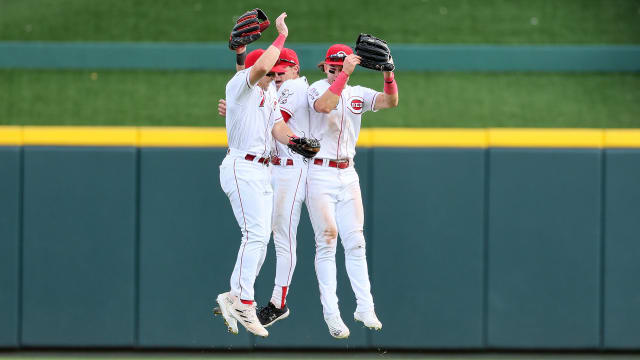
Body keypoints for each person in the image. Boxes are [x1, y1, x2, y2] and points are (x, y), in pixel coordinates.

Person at [215, 12, 301, 338]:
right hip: (242, 166)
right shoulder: (242, 83)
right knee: (255, 235)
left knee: (260, 237)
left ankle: (237, 297)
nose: (275, 74)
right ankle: (243, 299)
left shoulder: (268, 93)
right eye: (271, 70)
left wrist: (295, 141)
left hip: (261, 170)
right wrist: (280, 36)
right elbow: (260, 68)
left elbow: (277, 126)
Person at [306, 44, 399, 338]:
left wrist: (388, 73)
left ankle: (364, 306)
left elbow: (390, 101)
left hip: (348, 172)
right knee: (327, 239)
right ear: (325, 67)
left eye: (341, 65)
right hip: (319, 171)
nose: (336, 68)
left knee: (356, 241)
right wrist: (343, 75)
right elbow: (324, 106)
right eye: (332, 65)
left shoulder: (357, 92)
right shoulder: (316, 89)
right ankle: (331, 312)